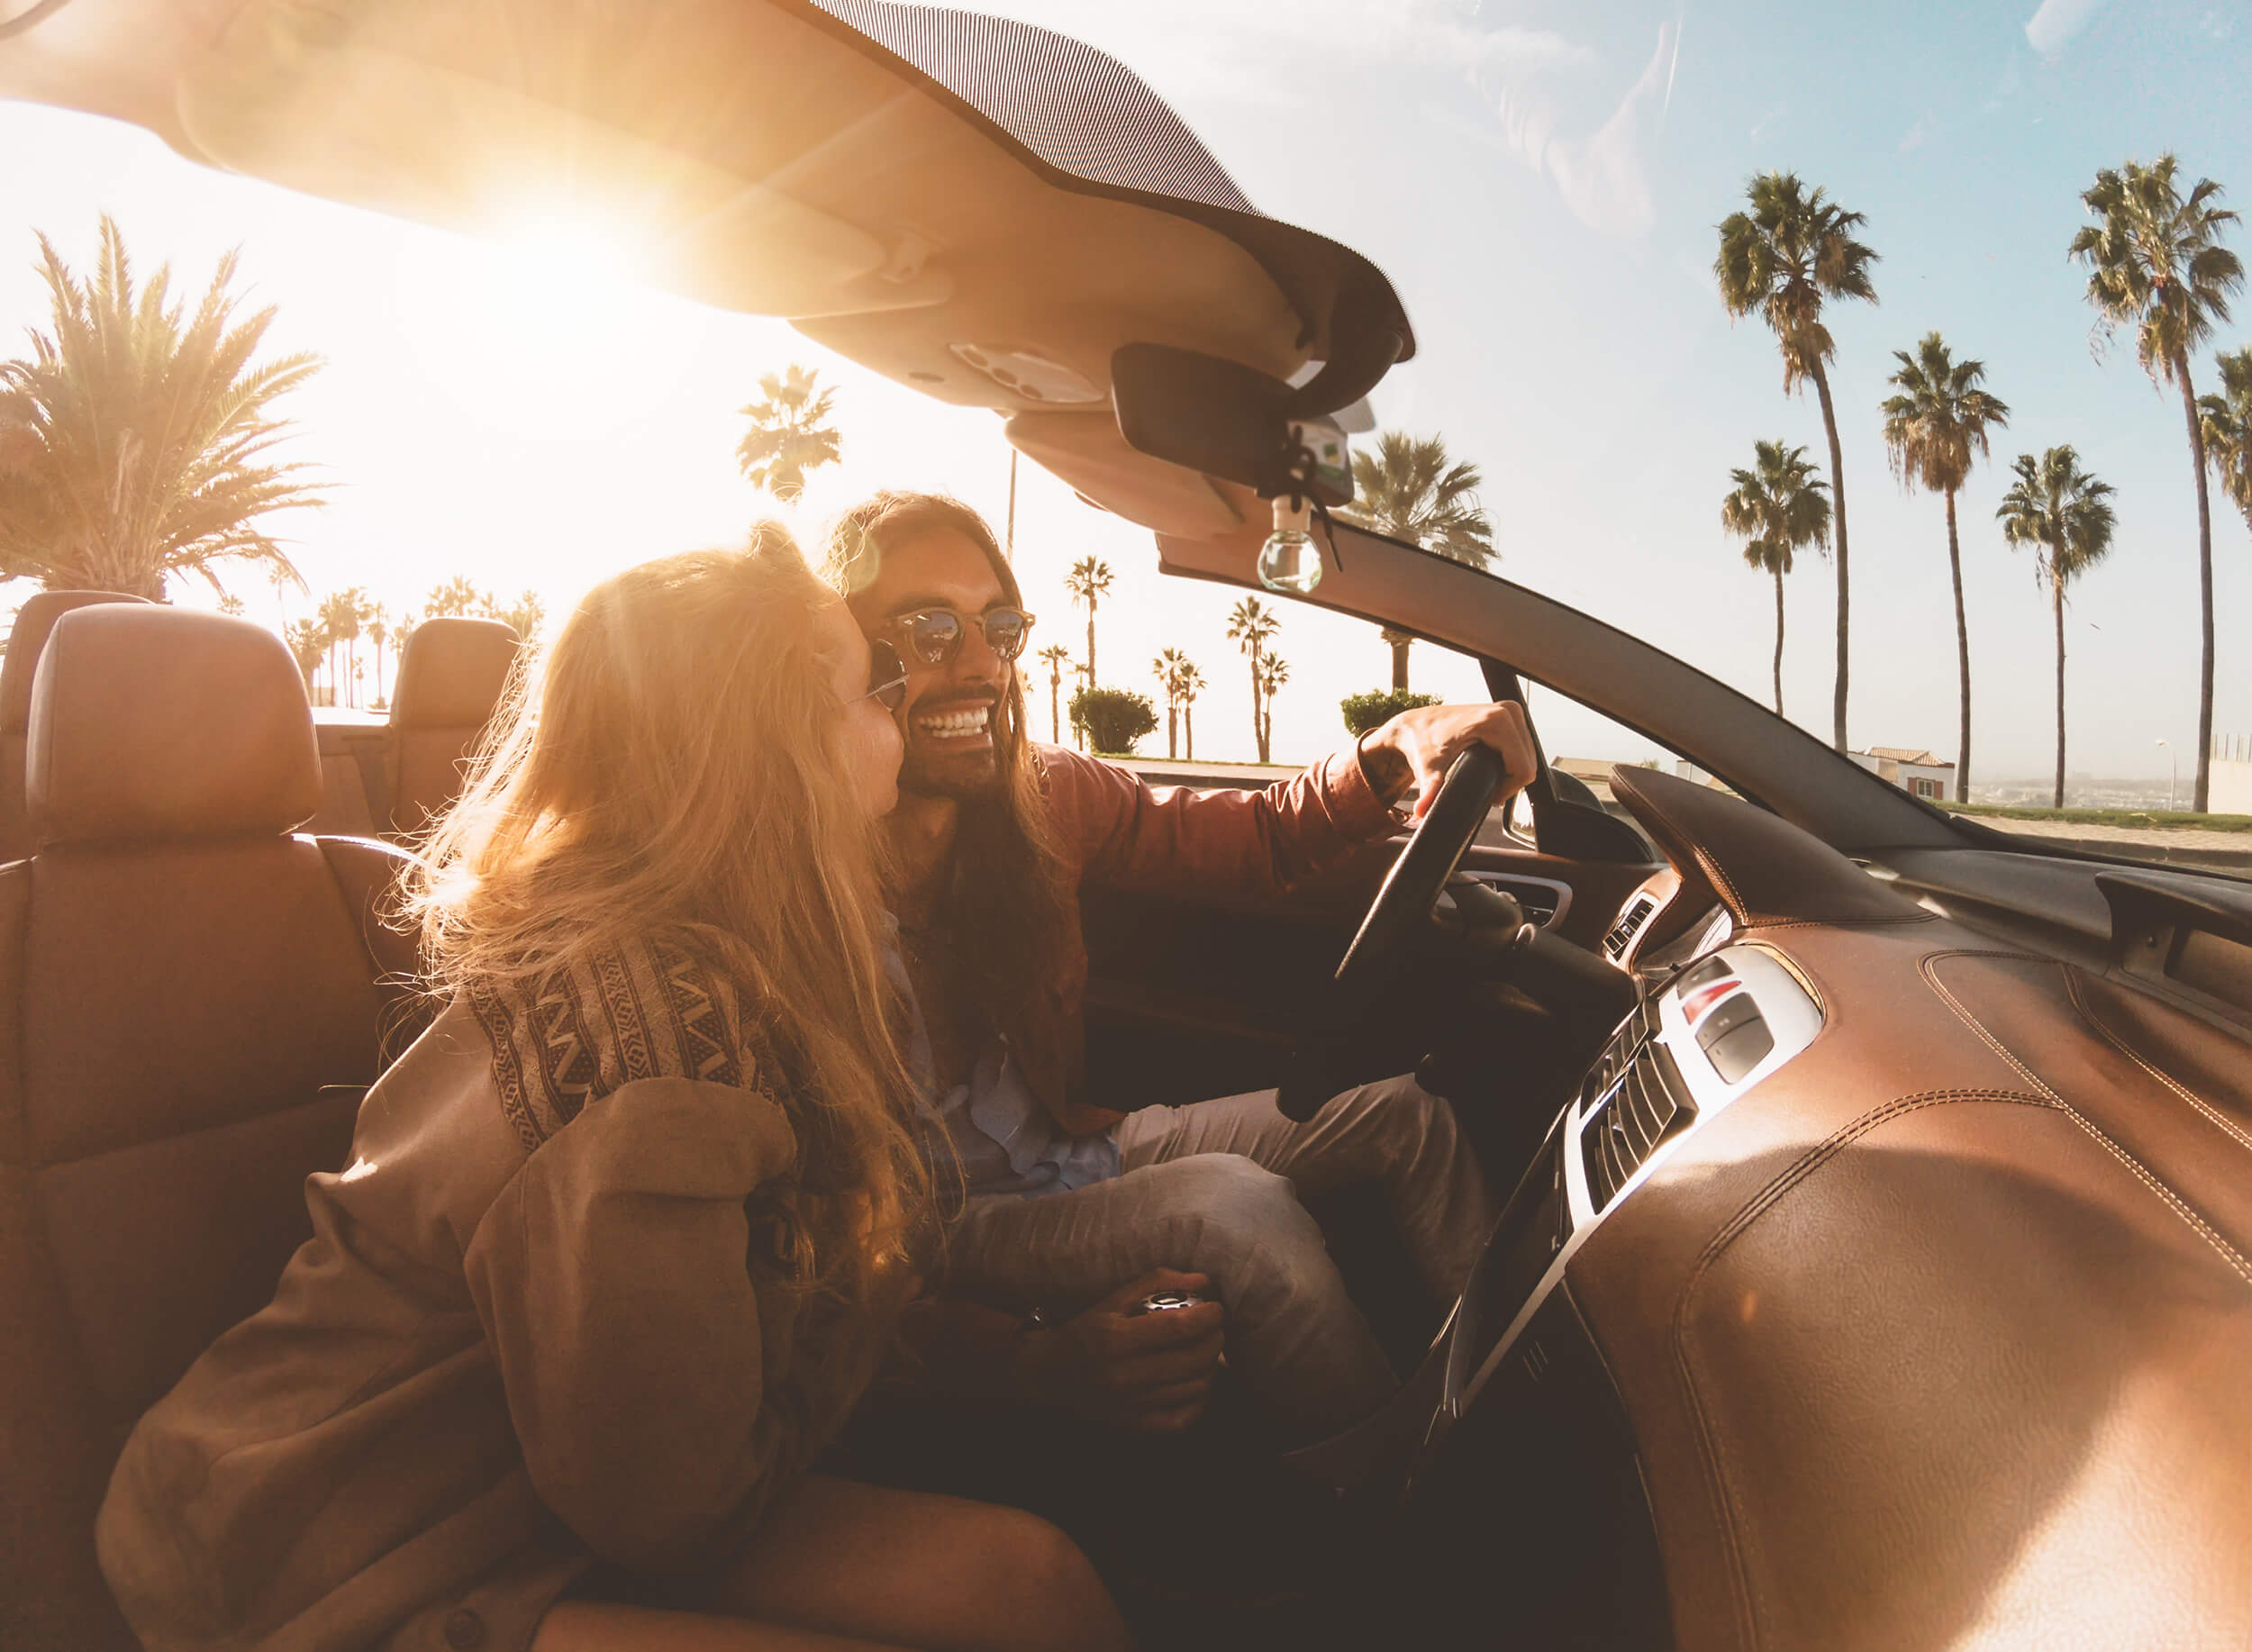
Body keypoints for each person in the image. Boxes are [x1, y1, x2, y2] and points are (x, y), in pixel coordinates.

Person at [95, 531, 1134, 1652]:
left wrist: (1032, 1363)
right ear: (774, 753)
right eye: (874, 691)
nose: (901, 717)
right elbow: (678, 1510)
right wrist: (995, 1355)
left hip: (529, 1493)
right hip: (330, 1554)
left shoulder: (728, 966)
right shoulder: (659, 1058)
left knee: (1031, 1586)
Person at [822, 492, 1537, 1444]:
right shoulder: (791, 884)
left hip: (1068, 1150)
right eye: (927, 629)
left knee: (1409, 1115)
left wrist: (1391, 749)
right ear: (837, 661)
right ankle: (1380, 1478)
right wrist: (1017, 1355)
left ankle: (1513, 1395)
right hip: (944, 1218)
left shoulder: (1042, 800)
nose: (980, 665)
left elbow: (1249, 836)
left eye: (998, 626)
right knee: (1237, 1209)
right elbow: (817, 1255)